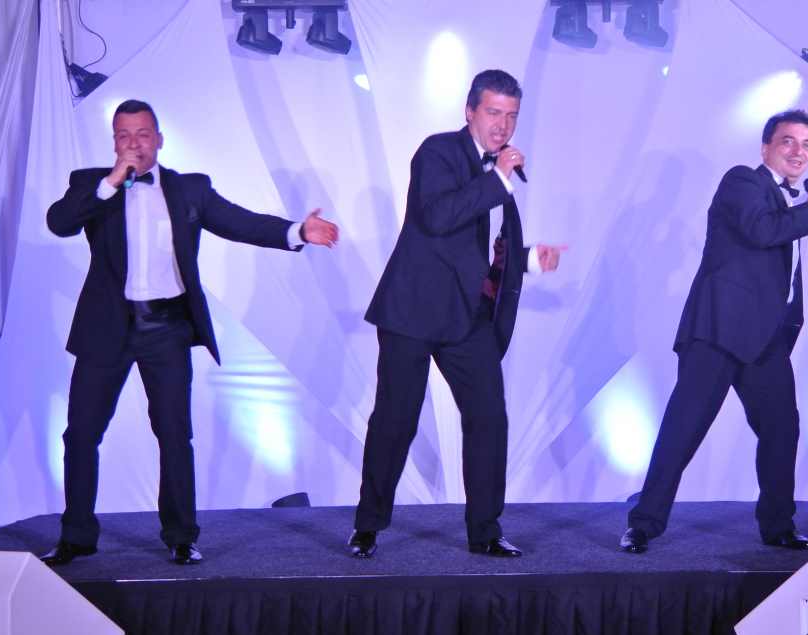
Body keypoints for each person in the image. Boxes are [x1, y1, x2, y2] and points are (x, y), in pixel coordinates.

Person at [40, 99, 338, 566]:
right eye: (124, 135)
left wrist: (298, 231)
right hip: (107, 328)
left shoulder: (189, 189)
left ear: (159, 139)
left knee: (175, 435)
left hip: (167, 329)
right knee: (80, 434)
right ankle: (76, 535)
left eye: (143, 134)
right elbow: (58, 223)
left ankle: (181, 536)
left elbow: (240, 222)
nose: (134, 143)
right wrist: (111, 182)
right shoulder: (92, 185)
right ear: (114, 142)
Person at [348, 70, 565, 558]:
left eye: (511, 115)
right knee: (396, 421)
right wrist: (498, 178)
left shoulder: (499, 176)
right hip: (412, 310)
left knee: (489, 417)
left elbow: (477, 250)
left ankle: (485, 531)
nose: (502, 125)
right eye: (493, 112)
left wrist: (528, 259)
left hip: (467, 317)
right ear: (470, 112)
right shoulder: (438, 153)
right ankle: (367, 526)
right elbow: (439, 217)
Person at [620, 109, 808, 554]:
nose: (799, 152)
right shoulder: (742, 181)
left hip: (764, 341)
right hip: (718, 331)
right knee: (684, 429)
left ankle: (778, 525)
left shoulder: (790, 203)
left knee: (782, 427)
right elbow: (761, 231)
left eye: (807, 144)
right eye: (788, 141)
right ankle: (643, 524)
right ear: (766, 147)